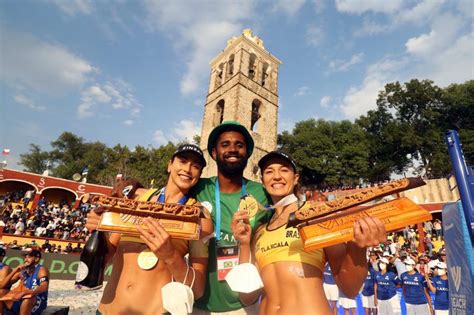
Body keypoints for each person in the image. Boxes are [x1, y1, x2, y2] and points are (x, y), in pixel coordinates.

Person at [230, 150, 387, 314]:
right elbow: (247, 297)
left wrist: (358, 248)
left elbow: (350, 288)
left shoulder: (317, 217)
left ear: (295, 178)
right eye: (269, 171)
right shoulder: (261, 231)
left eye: (284, 170)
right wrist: (244, 244)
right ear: (263, 181)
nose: (276, 176)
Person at [86, 144, 212, 314]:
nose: (188, 169)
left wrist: (171, 256)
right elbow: (108, 255)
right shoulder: (137, 199)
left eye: (196, 166)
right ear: (169, 165)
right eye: (182, 161)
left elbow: (197, 289)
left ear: (199, 175)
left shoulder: (199, 216)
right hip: (108, 309)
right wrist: (98, 229)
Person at [192, 121, 272, 314]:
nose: (233, 149)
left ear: (247, 153)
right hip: (197, 303)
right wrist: (134, 186)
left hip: (244, 304)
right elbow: (167, 193)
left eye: (239, 144)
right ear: (214, 153)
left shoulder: (261, 193)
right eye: (225, 144)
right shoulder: (198, 188)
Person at [0, 249, 49, 315]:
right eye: (25, 257)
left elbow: (44, 286)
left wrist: (24, 293)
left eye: (29, 257)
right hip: (22, 298)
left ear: (36, 259)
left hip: (37, 300)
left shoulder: (41, 269)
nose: (25, 259)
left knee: (27, 299)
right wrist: (15, 270)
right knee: (1, 292)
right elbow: (2, 285)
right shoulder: (23, 271)